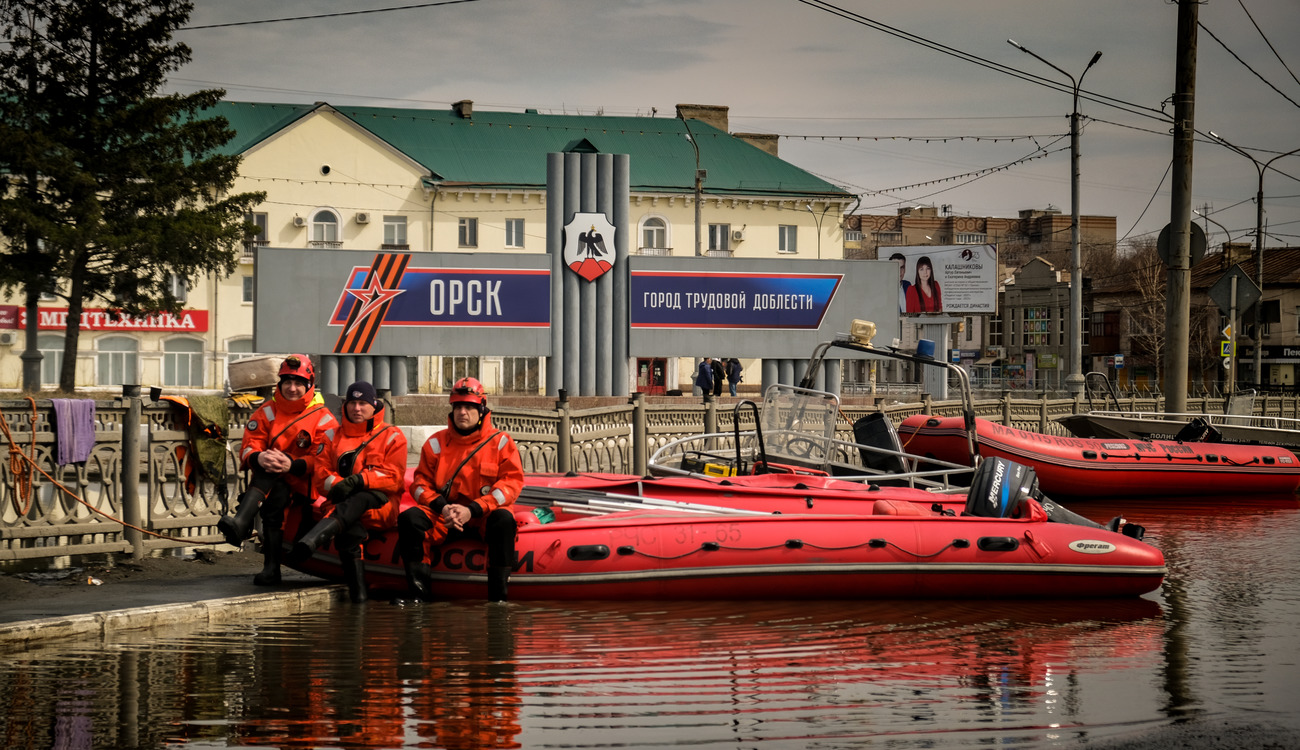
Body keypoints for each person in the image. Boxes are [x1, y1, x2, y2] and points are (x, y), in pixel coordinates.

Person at [399, 376, 525, 602]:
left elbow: (510, 484)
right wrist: (443, 507)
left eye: (469, 407)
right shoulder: (435, 443)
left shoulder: (501, 442)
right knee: (410, 519)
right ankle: (418, 597)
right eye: (458, 407)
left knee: (504, 521)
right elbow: (419, 485)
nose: (462, 412)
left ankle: (498, 600)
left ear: (482, 409)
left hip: (483, 516)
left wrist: (474, 510)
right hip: (444, 516)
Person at [217, 354, 338, 586]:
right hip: (274, 482)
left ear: (309, 386)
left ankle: (242, 522)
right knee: (273, 477)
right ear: (279, 384)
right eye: (287, 383)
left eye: (298, 383)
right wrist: (259, 457)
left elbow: (323, 461)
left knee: (277, 476)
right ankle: (268, 564)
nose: (292, 389)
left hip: (306, 485)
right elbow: (248, 447)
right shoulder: (266, 411)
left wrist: (291, 464)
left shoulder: (324, 419)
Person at [291, 381, 407, 603]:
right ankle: (359, 597)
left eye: (362, 403)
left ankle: (313, 539)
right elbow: (320, 476)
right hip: (340, 504)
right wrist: (341, 486)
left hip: (381, 506)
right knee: (349, 524)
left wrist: (358, 481)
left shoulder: (392, 435)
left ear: (374, 405)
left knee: (361, 498)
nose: (356, 408)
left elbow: (393, 477)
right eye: (352, 403)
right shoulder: (331, 436)